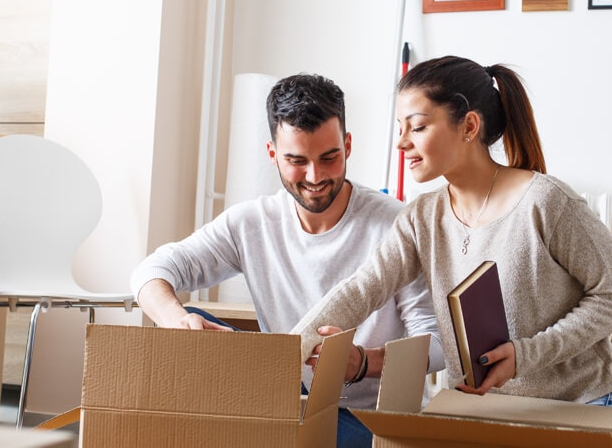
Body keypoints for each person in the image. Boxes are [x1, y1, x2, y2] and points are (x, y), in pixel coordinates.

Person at [290, 56, 612, 433]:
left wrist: (525, 354)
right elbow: (361, 289)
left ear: (468, 125)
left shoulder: (546, 202)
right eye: (400, 127)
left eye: (416, 127)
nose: (401, 142)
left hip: (592, 403)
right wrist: (284, 356)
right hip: (496, 417)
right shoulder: (422, 218)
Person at [130, 73, 445, 448]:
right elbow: (150, 272)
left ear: (347, 145)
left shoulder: (398, 224)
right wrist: (176, 320)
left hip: (370, 415)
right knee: (195, 322)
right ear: (272, 154)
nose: (315, 176)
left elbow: (439, 345)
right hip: (285, 400)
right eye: (297, 161)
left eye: (329, 158)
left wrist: (362, 363)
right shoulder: (250, 223)